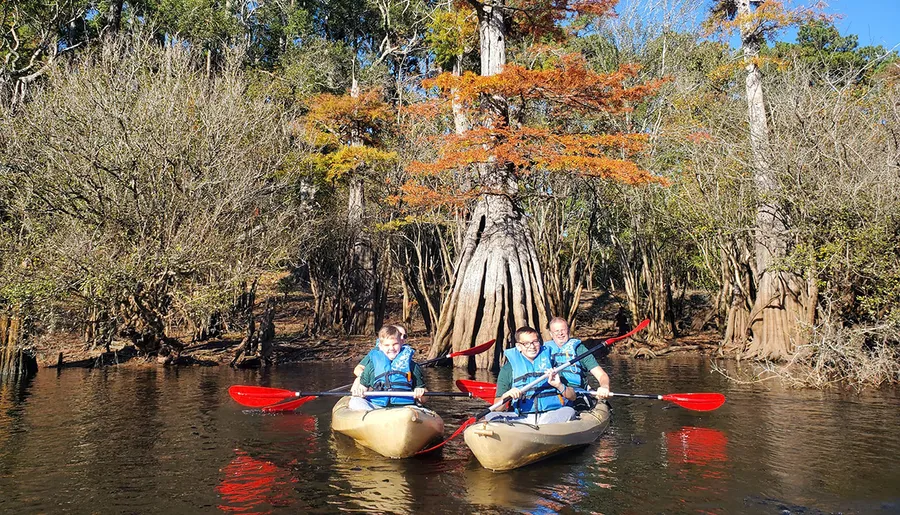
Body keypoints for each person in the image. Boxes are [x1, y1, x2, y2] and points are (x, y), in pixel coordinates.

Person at [488, 326, 577, 425]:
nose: (532, 346)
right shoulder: (508, 369)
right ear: (518, 346)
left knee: (569, 411)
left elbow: (572, 397)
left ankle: (545, 430)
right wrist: (506, 396)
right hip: (522, 417)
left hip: (550, 416)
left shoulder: (552, 364)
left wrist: (559, 385)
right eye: (526, 343)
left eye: (535, 342)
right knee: (490, 417)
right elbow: (497, 408)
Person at [349, 324, 426, 411]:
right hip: (377, 407)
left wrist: (420, 392)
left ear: (401, 343)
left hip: (404, 409)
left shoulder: (413, 366)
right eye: (387, 345)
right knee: (355, 401)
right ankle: (369, 418)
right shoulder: (371, 366)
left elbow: (424, 399)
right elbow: (362, 388)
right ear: (380, 347)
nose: (391, 348)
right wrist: (359, 392)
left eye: (395, 344)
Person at [547, 317, 611, 410]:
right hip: (552, 392)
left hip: (576, 391)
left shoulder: (579, 349)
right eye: (556, 331)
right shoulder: (543, 351)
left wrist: (604, 386)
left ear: (568, 331)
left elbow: (601, 375)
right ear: (551, 334)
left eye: (563, 330)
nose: (560, 333)